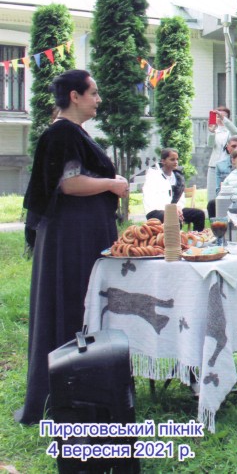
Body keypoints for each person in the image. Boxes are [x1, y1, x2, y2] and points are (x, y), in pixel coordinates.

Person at [16, 70, 129, 425]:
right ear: (75, 96)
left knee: (83, 301)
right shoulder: (62, 132)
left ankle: (87, 389)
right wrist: (111, 183)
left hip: (80, 231)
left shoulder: (72, 132)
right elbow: (69, 184)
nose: (98, 99)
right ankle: (71, 393)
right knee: (72, 301)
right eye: (93, 93)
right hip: (72, 236)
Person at [142, 148, 205, 231]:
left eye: (177, 159)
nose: (176, 162)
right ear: (163, 161)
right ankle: (176, 239)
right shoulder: (153, 176)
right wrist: (172, 210)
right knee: (174, 218)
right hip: (156, 212)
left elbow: (180, 198)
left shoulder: (178, 177)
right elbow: (151, 200)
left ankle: (195, 237)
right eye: (172, 159)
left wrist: (178, 208)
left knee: (199, 214)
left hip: (175, 210)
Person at [206, 106, 237, 205]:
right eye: (218, 116)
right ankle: (212, 212)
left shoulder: (230, 131)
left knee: (227, 193)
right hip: (214, 166)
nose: (220, 118)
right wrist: (212, 132)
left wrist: (223, 118)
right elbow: (210, 144)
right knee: (212, 195)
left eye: (223, 116)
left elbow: (235, 131)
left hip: (227, 166)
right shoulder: (215, 131)